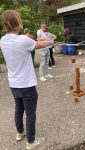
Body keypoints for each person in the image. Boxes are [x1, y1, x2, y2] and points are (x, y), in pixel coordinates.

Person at [1, 10, 52, 149]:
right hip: (26, 84)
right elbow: (42, 44)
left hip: (14, 84)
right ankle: (31, 141)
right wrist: (48, 40)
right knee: (30, 113)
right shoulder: (23, 40)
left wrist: (28, 37)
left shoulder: (3, 40)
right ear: (17, 22)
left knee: (19, 109)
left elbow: (20, 42)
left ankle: (20, 133)